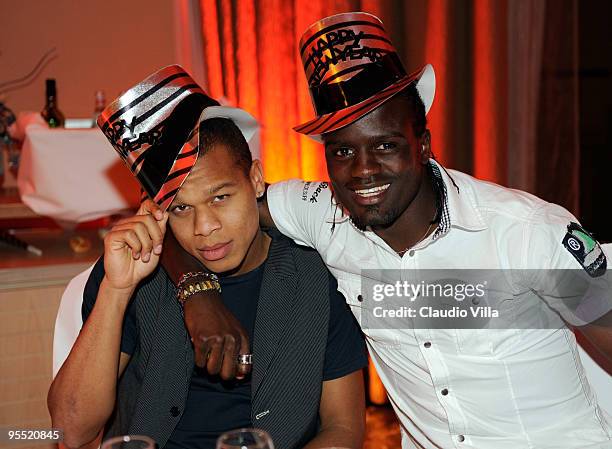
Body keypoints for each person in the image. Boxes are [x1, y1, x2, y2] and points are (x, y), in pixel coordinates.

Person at [163, 13, 612, 449]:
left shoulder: (527, 232)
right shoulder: (321, 215)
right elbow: (189, 212)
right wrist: (197, 292)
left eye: (385, 145)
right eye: (342, 151)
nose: (363, 171)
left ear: (423, 144)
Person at [47, 66, 367, 449]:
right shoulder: (137, 274)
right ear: (156, 211)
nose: (205, 226)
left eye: (220, 197)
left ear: (255, 179)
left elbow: (344, 430)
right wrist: (116, 291)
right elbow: (70, 430)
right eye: (181, 208)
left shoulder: (315, 275)